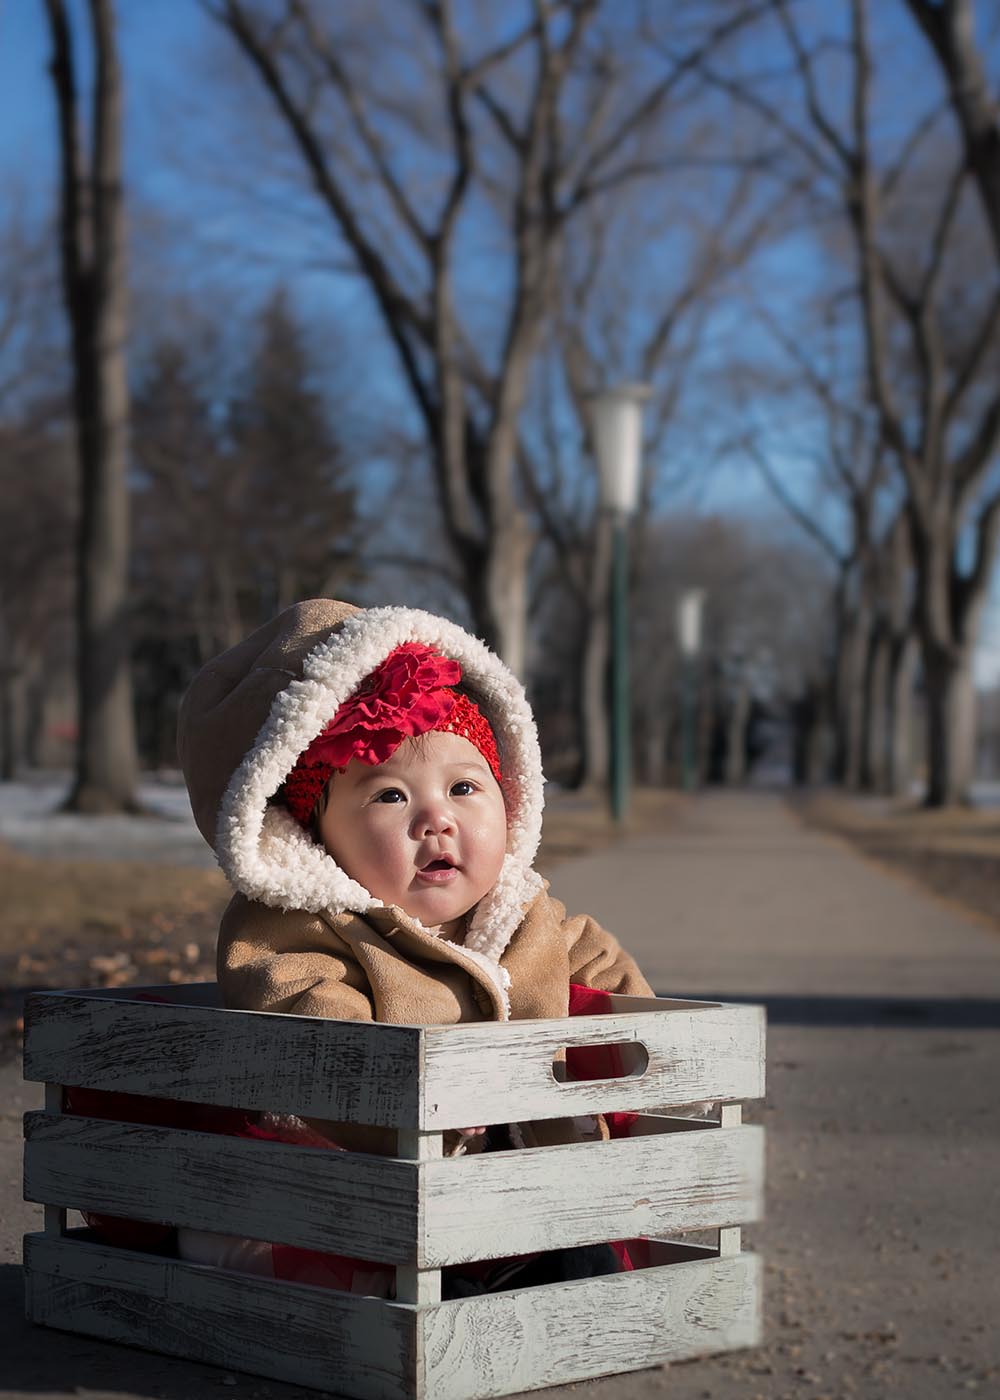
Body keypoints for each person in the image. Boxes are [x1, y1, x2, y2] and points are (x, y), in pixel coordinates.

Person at [173, 597, 656, 1294]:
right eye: (390, 797)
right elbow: (311, 1025)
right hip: (357, 1182)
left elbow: (606, 970)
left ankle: (561, 1282)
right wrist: (418, 1114)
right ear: (317, 836)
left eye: (464, 787)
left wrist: (663, 1053)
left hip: (511, 1184)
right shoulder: (296, 929)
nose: (436, 819)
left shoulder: (524, 913)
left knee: (583, 1242)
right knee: (372, 1248)